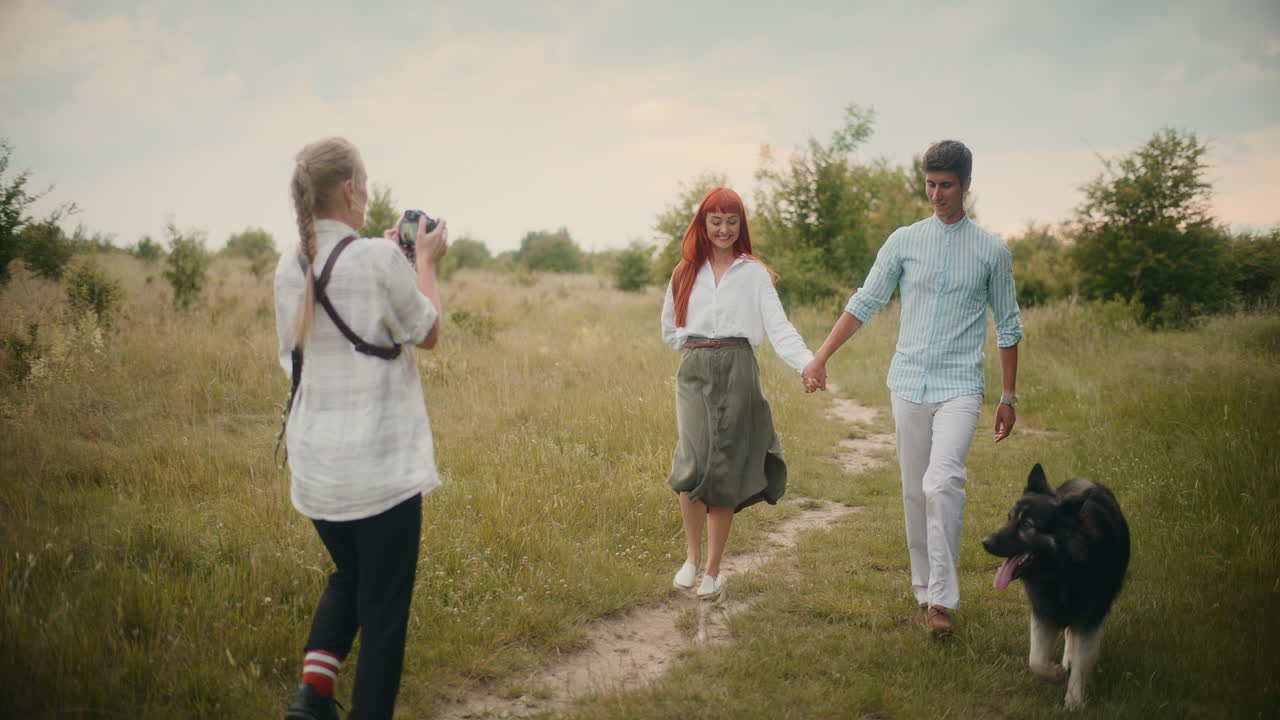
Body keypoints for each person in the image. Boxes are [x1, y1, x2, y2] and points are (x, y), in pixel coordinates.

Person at [801, 140, 1022, 637]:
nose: (936, 195)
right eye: (930, 185)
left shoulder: (992, 251)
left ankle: (942, 601)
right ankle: (923, 594)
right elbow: (866, 301)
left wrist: (1007, 397)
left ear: (966, 184)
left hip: (960, 386)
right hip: (908, 382)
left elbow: (1008, 326)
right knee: (913, 491)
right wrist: (821, 356)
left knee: (942, 483)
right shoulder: (903, 241)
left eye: (946, 186)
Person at [274, 137, 448, 720]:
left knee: (350, 574)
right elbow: (426, 330)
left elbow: (292, 358)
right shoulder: (378, 260)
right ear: (349, 189)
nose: (369, 194)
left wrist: (386, 260)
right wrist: (422, 262)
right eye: (366, 185)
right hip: (379, 469)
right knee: (384, 613)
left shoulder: (288, 265)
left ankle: (313, 694)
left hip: (316, 469)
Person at [661, 186, 815, 601]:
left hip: (738, 365)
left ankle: (713, 570)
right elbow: (669, 329)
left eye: (732, 221)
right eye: (716, 220)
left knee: (724, 467)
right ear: (703, 223)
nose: (724, 229)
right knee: (691, 463)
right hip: (694, 366)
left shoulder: (753, 273)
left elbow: (779, 327)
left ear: (741, 225)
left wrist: (807, 363)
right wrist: (694, 346)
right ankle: (691, 559)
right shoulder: (684, 272)